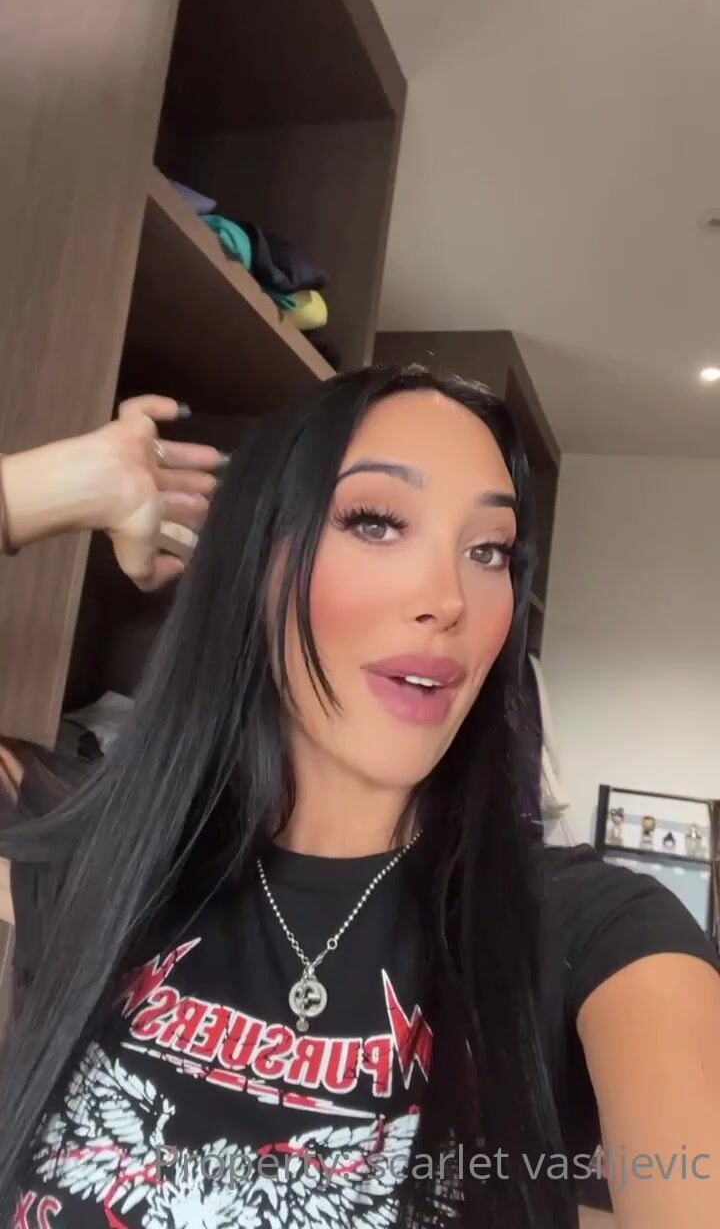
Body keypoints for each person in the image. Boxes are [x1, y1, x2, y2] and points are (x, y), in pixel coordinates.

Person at [0, 367, 718, 1229]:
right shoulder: (86, 855)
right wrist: (40, 492)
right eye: (376, 522)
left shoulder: (598, 937)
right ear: (258, 564)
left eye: (489, 550)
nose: (448, 600)